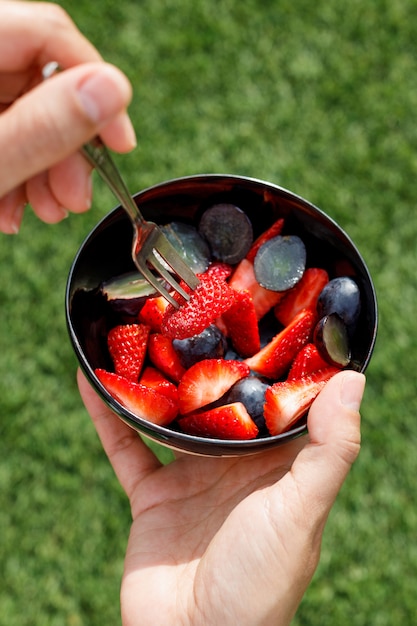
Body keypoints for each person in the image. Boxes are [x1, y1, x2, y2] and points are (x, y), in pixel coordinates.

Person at [1, 2, 366, 625]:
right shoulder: (201, 333)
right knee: (235, 367)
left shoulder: (238, 334)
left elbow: (244, 348)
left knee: (244, 366)